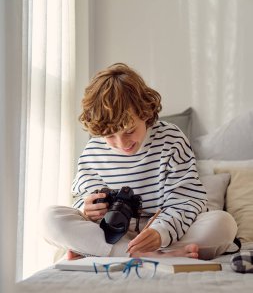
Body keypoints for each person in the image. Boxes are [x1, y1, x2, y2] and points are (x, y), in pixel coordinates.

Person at [43, 63, 237, 261]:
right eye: (110, 135)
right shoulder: (94, 149)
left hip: (164, 230)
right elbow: (82, 197)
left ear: (145, 113)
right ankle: (156, 256)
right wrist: (87, 209)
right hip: (113, 233)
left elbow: (187, 200)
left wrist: (160, 233)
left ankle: (106, 252)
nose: (122, 143)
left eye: (129, 131)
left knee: (223, 224)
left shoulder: (171, 139)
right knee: (50, 219)